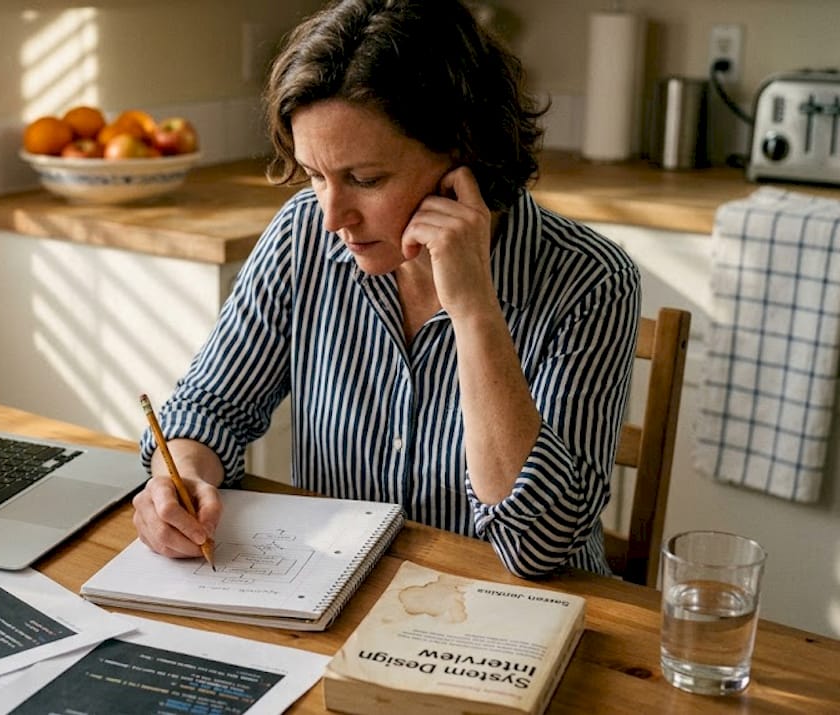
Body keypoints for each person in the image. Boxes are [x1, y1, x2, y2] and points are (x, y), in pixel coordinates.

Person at [132, 0, 640, 579]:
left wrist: (475, 313)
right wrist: (182, 479)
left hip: (514, 613)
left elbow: (537, 548)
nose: (332, 217)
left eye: (365, 180)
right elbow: (211, 407)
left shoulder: (591, 278)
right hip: (336, 592)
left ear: (464, 151)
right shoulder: (303, 234)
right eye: (316, 176)